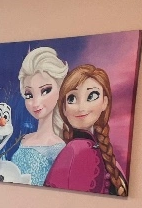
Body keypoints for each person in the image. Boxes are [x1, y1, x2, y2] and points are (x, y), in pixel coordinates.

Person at [44, 64, 128, 196]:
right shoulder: (79, 148)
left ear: (105, 102)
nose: (81, 107)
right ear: (64, 108)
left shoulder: (94, 150)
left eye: (92, 96)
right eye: (72, 98)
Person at [9, 47, 68, 185]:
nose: (36, 103)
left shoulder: (57, 147)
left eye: (45, 91)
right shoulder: (23, 139)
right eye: (29, 95)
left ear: (60, 89)